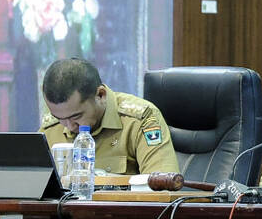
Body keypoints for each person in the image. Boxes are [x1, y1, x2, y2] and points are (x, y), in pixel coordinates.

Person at [40, 58, 179, 175]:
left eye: (76, 116)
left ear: (100, 95)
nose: (69, 126)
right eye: (59, 118)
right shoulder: (50, 129)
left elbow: (162, 189)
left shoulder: (140, 120)